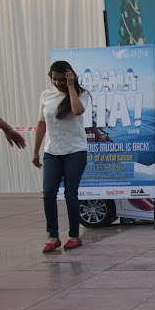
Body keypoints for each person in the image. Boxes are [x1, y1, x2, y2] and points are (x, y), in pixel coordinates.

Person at [32, 61, 89, 253]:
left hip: (75, 151)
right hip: (52, 152)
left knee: (70, 194)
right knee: (48, 193)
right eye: (53, 79)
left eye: (61, 79)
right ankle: (53, 236)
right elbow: (41, 125)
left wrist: (71, 87)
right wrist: (35, 151)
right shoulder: (46, 95)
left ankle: (74, 235)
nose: (57, 83)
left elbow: (77, 110)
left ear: (69, 77)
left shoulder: (81, 94)